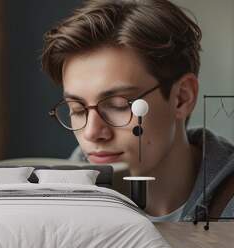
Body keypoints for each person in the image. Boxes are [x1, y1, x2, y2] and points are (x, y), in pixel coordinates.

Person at [41, 0, 234, 222]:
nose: (92, 133)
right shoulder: (57, 207)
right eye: (78, 109)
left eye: (118, 105)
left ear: (182, 98)